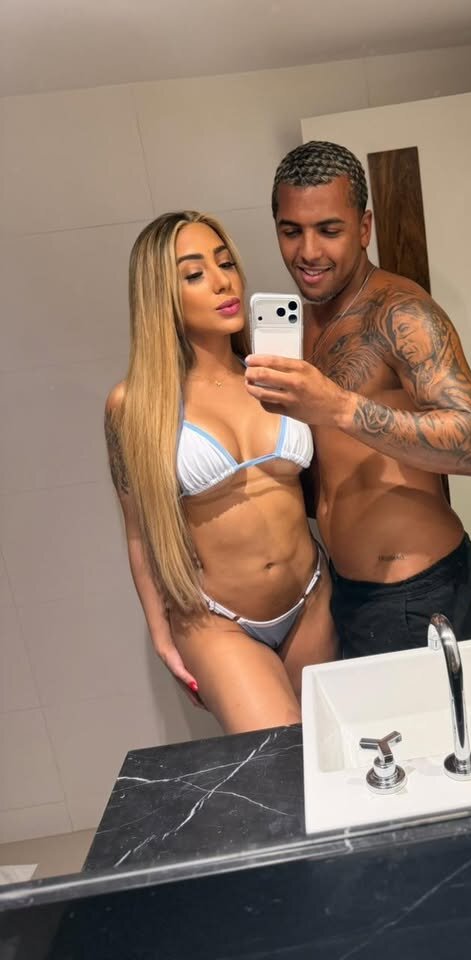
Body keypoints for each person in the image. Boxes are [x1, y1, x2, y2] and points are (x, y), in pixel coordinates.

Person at [244, 141, 471, 659]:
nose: (308, 252)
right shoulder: (300, 322)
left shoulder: (399, 313)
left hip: (416, 594)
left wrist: (338, 407)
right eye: (291, 231)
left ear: (364, 228)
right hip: (345, 590)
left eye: (329, 230)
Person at [104, 211, 337, 734]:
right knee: (279, 764)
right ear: (160, 295)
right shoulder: (134, 406)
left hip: (313, 599)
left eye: (226, 263)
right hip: (218, 621)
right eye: (194, 273)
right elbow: (139, 532)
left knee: (331, 759)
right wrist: (161, 634)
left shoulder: (279, 375)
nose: (222, 282)